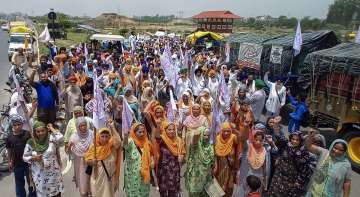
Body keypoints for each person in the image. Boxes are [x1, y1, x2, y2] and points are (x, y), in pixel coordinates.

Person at [305, 129, 352, 197]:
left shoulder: (346, 165)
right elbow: (309, 146)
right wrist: (310, 136)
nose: (336, 151)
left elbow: (347, 183)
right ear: (332, 146)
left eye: (341, 150)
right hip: (313, 193)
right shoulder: (324, 153)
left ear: (344, 152)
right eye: (335, 148)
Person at [23, 121, 64, 197]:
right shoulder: (31, 142)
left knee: (56, 193)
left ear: (46, 130)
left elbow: (61, 140)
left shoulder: (51, 138)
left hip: (54, 173)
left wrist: (52, 128)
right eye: (38, 131)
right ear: (35, 132)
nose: (41, 133)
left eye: (43, 130)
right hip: (40, 176)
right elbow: (24, 157)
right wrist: (34, 158)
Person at [268, 131, 316, 197]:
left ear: (301, 140)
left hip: (290, 180)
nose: (294, 141)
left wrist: (299, 181)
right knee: (273, 193)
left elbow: (304, 168)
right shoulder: (286, 146)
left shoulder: (303, 152)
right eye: (293, 139)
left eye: (297, 140)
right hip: (278, 175)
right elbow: (279, 137)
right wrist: (276, 125)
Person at [234, 130, 277, 197]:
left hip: (257, 178)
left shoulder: (264, 150)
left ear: (263, 140)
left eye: (260, 140)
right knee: (243, 193)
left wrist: (264, 179)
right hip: (246, 175)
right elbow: (243, 140)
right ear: (253, 138)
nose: (258, 142)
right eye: (256, 139)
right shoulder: (248, 147)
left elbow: (275, 151)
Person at [85, 123, 122, 197]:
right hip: (97, 179)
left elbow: (118, 141)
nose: (104, 139)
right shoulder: (94, 147)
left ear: (109, 137)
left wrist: (112, 127)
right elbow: (86, 160)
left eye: (106, 136)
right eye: (102, 136)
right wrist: (92, 162)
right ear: (98, 137)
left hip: (109, 180)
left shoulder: (111, 146)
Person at [5, 115, 37, 197]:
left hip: (28, 163)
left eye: (19, 124)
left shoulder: (27, 134)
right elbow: (9, 150)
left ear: (22, 124)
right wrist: (9, 161)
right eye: (15, 125)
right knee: (19, 183)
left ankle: (32, 195)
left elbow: (33, 145)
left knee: (31, 182)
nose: (17, 126)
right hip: (17, 164)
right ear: (12, 125)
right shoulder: (9, 137)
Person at [155, 122, 185, 197]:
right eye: (169, 129)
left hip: (174, 171)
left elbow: (183, 152)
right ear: (165, 130)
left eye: (173, 129)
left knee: (173, 192)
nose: (172, 131)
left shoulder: (179, 140)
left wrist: (182, 157)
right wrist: (158, 126)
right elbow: (157, 137)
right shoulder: (163, 140)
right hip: (163, 171)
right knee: (163, 192)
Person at [123, 123, 153, 197]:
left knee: (144, 193)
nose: (142, 133)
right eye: (139, 132)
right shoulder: (130, 142)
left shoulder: (147, 142)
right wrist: (125, 137)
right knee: (133, 193)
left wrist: (152, 162)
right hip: (132, 175)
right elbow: (125, 145)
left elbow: (151, 154)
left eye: (143, 131)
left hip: (144, 175)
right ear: (134, 132)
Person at [185, 127, 214, 197]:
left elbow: (212, 161)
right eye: (204, 135)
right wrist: (198, 130)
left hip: (206, 177)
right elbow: (195, 137)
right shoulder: (196, 146)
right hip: (196, 177)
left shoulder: (209, 146)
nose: (206, 137)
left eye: (208, 135)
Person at [68, 117, 94, 197]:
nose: (83, 127)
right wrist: (69, 147)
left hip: (91, 162)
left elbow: (96, 147)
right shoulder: (74, 136)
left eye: (84, 125)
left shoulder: (91, 134)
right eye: (81, 126)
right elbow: (68, 151)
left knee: (92, 185)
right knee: (83, 188)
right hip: (80, 163)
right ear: (77, 127)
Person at [213, 122, 239, 197]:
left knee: (227, 185)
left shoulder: (233, 137)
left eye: (228, 131)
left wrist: (236, 130)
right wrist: (215, 165)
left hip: (229, 167)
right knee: (218, 183)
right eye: (224, 131)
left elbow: (240, 140)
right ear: (221, 131)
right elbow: (215, 153)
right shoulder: (217, 138)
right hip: (219, 166)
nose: (226, 133)